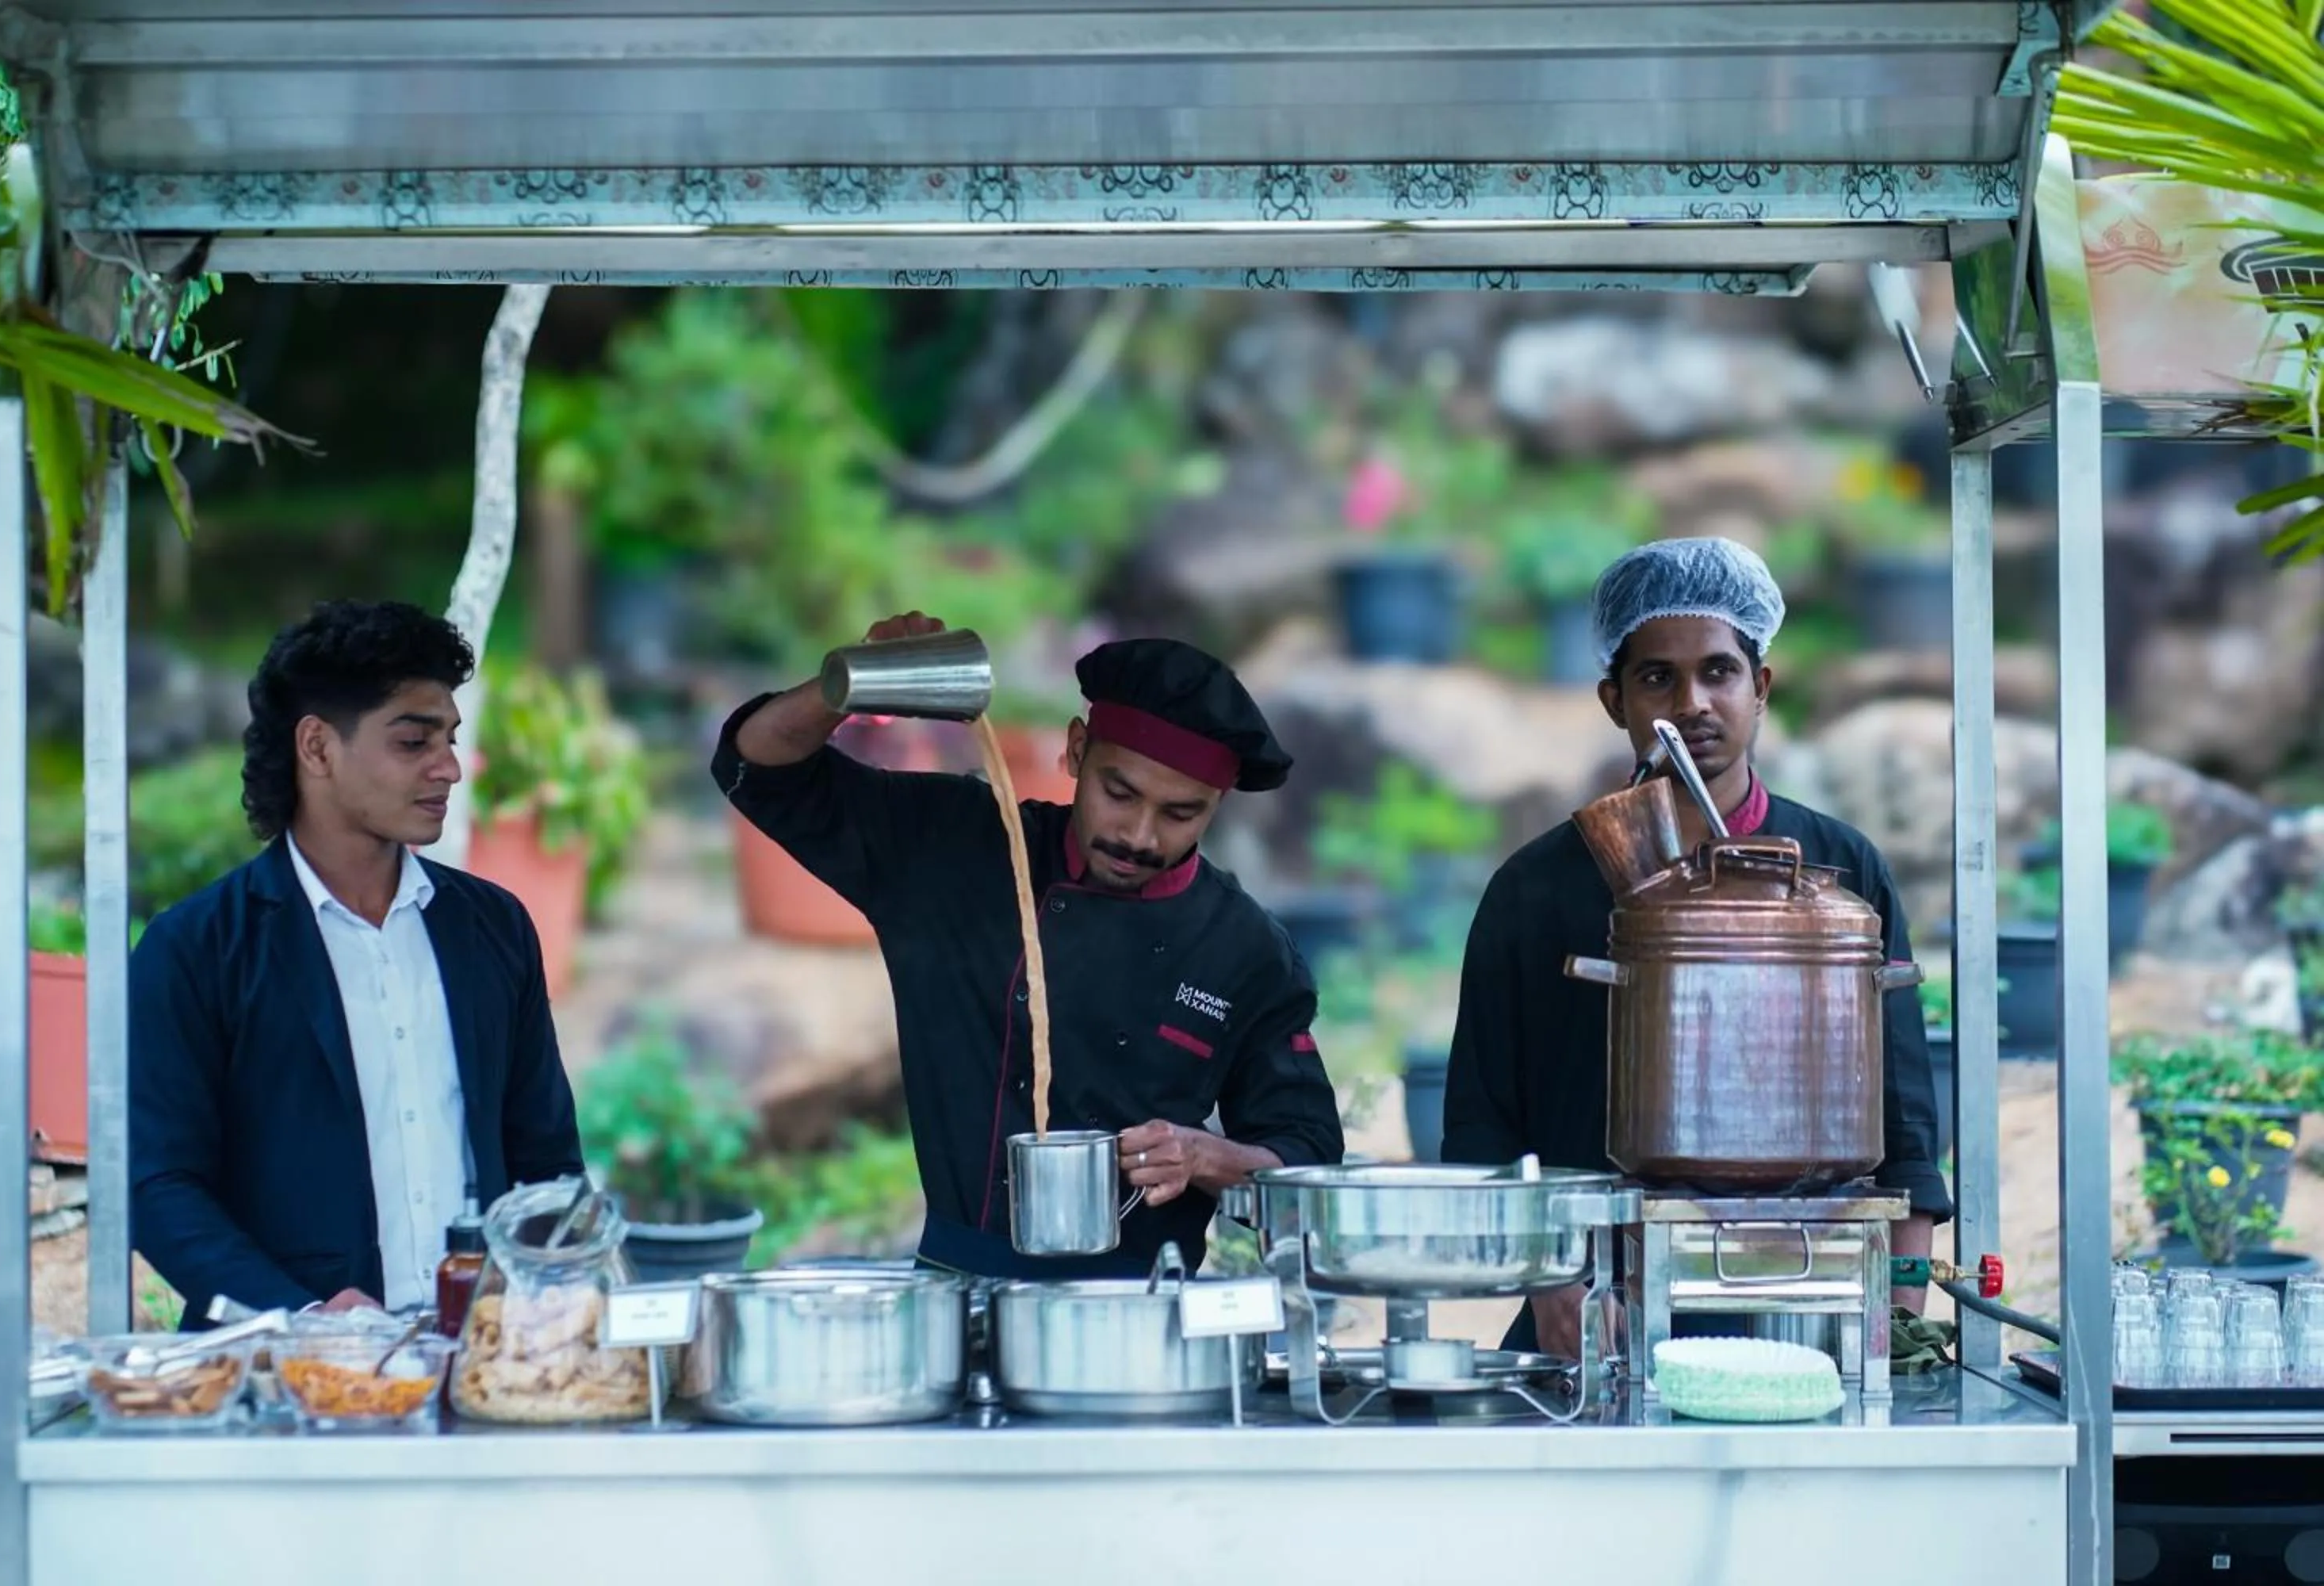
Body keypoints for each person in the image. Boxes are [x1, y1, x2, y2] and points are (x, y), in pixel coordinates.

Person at [714, 614, 1342, 1279]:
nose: (1138, 834)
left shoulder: (1244, 949)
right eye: (1118, 792)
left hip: (1137, 1312)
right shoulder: (952, 848)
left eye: (1180, 814)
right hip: (955, 1289)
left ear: (1215, 806)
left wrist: (1204, 1157)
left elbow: (1306, 1168)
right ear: (1075, 751)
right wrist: (850, 685)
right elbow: (758, 765)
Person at [1441, 538, 1950, 1354]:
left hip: (1806, 1297)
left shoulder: (1843, 869)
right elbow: (1483, 1127)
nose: (1693, 701)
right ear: (1615, 699)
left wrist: (1902, 1304)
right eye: (1657, 678)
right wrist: (1553, 1287)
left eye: (1719, 671)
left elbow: (1905, 1114)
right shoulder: (1535, 889)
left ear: (1762, 688)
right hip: (1594, 1303)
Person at [131, 600, 583, 1327]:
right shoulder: (196, 949)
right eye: (413, 742)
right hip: (279, 1373)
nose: (450, 769)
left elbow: (546, 1159)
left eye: (450, 740)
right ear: (316, 748)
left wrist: (554, 1296)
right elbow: (156, 1186)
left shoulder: (494, 928)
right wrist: (303, 1315)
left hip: (484, 1359)